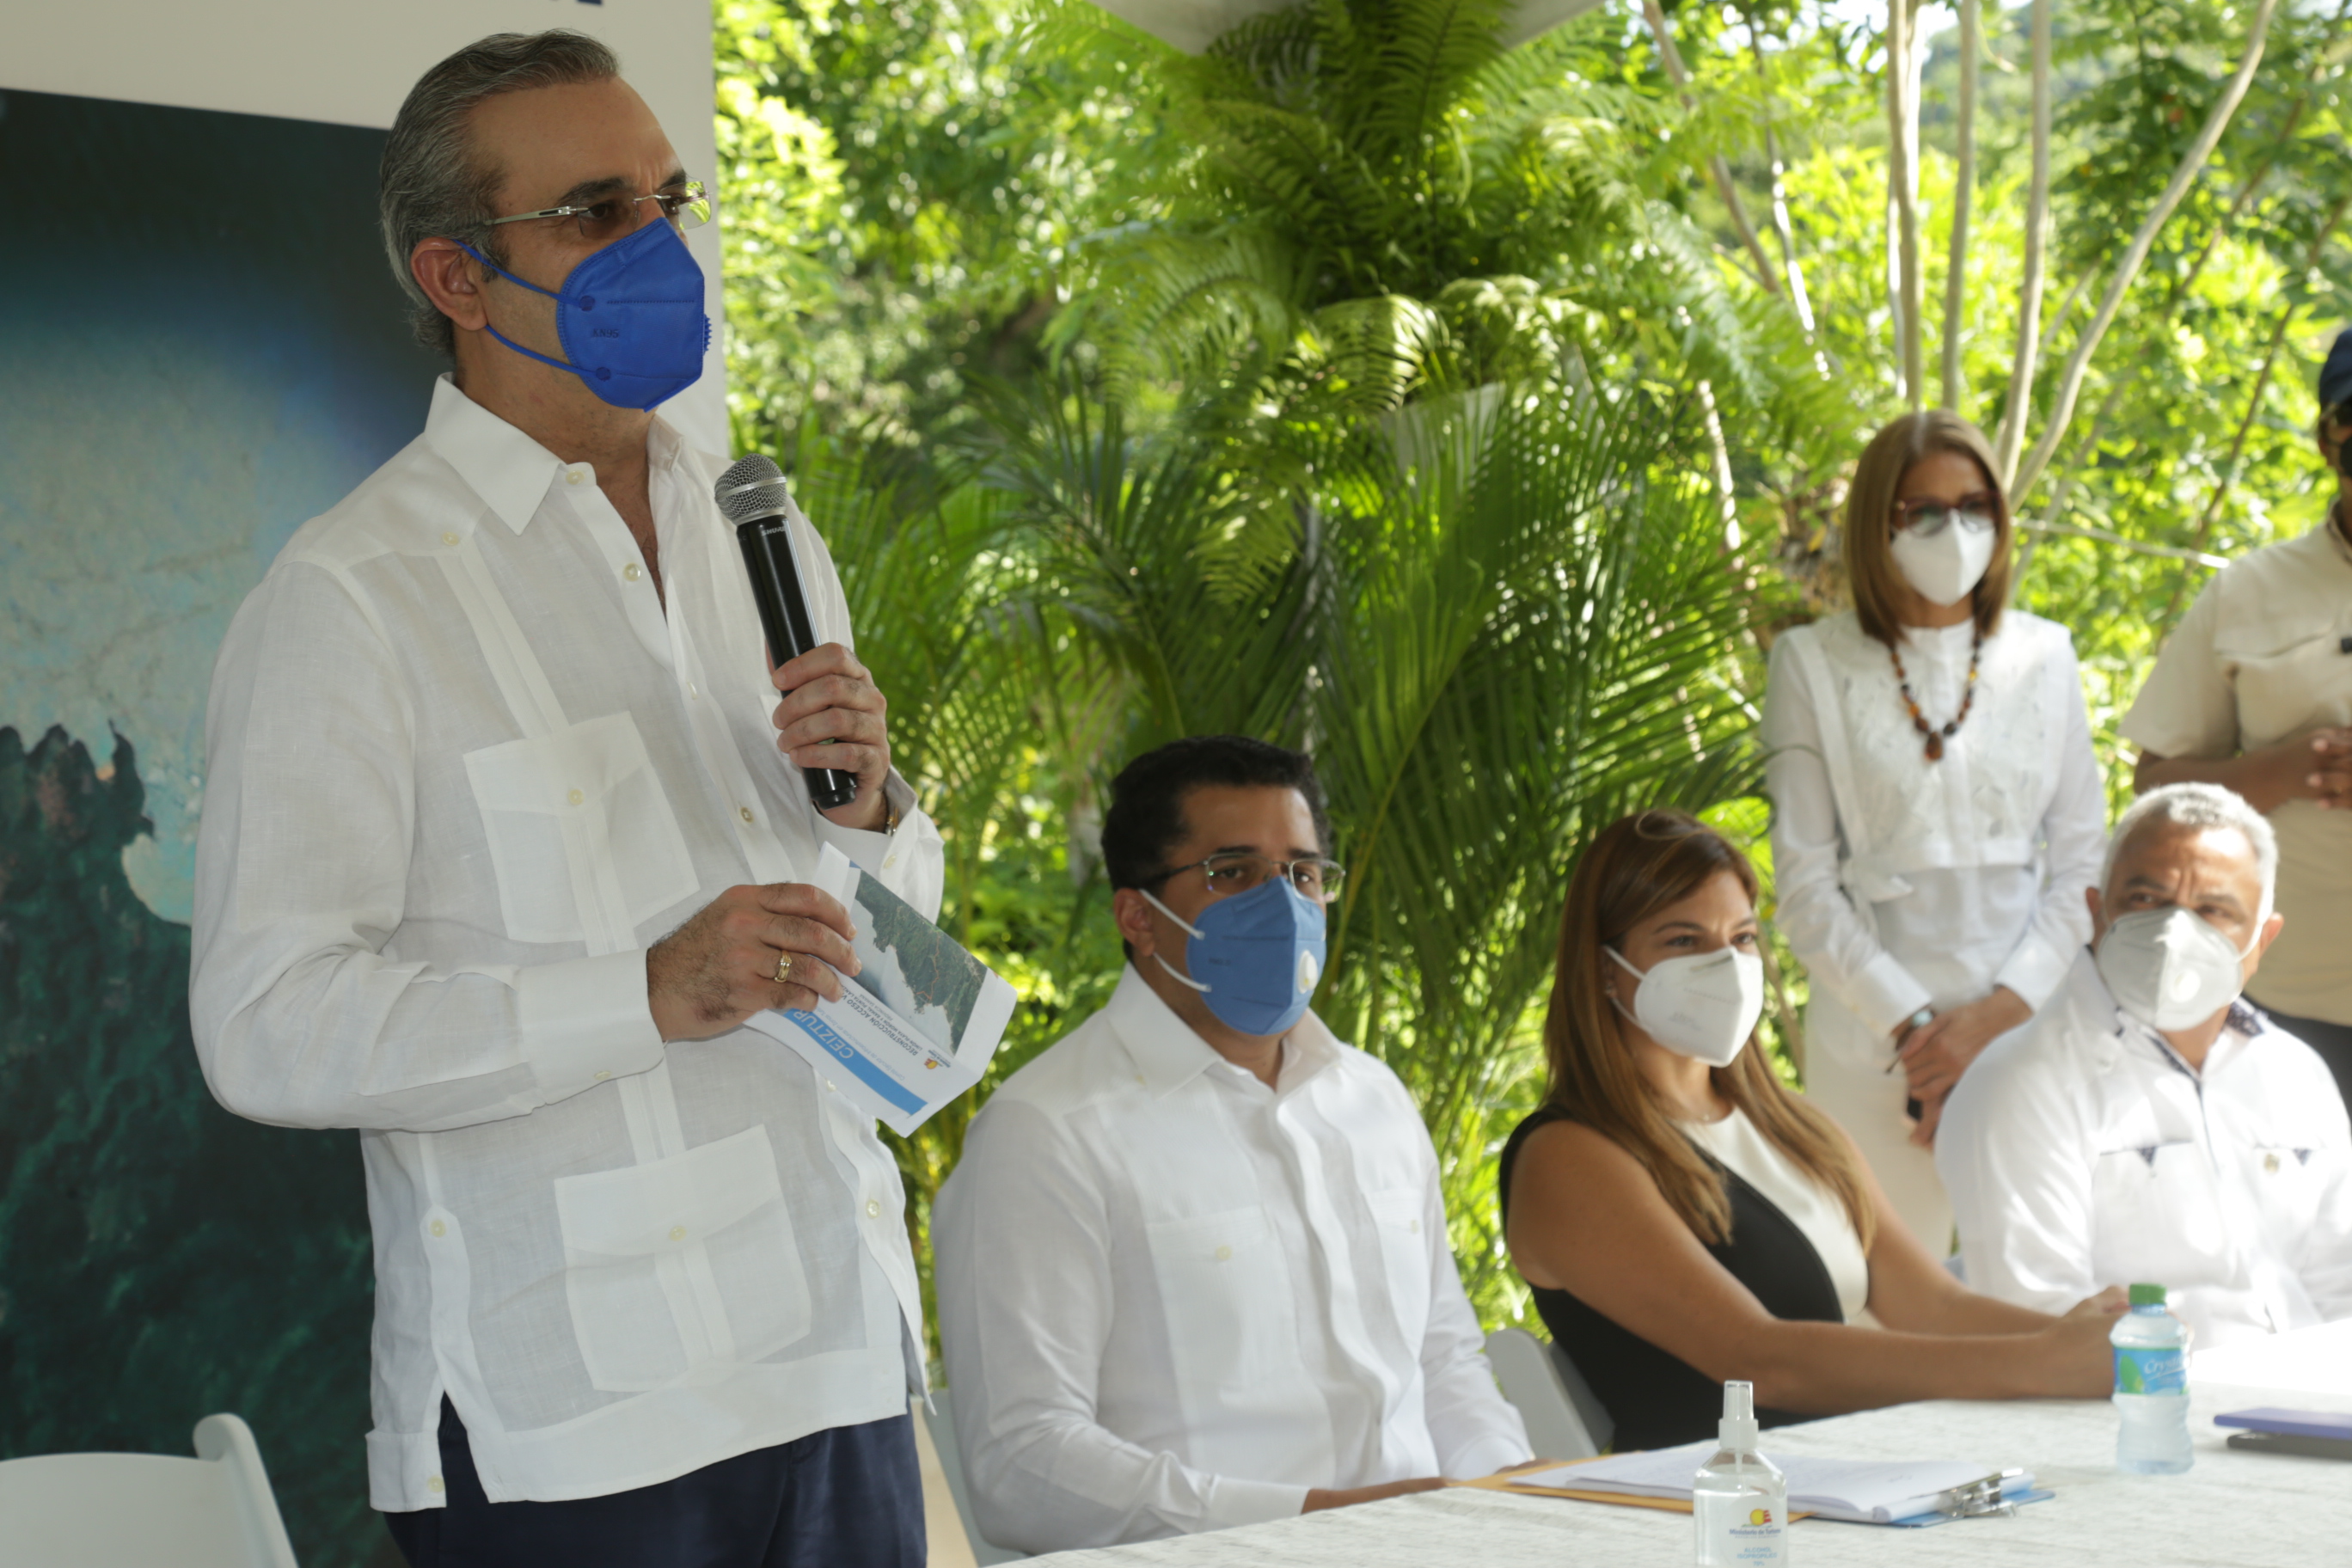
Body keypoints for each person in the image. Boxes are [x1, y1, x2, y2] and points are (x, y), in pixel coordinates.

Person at [190, 34, 941, 1567]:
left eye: (669, 200)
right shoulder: (353, 593)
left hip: (843, 1357)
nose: (660, 246)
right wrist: (644, 989)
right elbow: (266, 1021)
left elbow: (867, 939)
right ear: (455, 279)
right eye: (598, 212)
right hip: (573, 1425)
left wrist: (870, 814)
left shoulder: (759, 527)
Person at [931, 736, 1530, 1554]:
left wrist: (1514, 1498)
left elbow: (1445, 1362)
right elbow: (1023, 1463)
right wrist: (1315, 1519)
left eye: (1303, 873)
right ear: (1138, 917)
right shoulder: (1047, 1134)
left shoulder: (1374, 1101)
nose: (1282, 904)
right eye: (1233, 872)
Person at [1499, 809, 2122, 1453]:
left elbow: (1936, 1309)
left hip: (1848, 1478)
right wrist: (2042, 1362)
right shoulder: (1567, 1156)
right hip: (1710, 1501)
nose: (1724, 964)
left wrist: (2085, 1339)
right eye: (1683, 941)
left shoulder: (1797, 1128)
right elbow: (1761, 1361)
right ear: (1605, 970)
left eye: (1742, 938)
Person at [1762, 409, 2106, 1252]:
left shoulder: (2047, 654)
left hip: (2030, 1022)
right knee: (1879, 1293)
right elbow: (1804, 887)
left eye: (1975, 507)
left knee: (2045, 1286)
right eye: (1923, 512)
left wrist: (1998, 1015)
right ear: (1878, 524)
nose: (1954, 532)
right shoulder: (1810, 663)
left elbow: (2084, 867)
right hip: (1874, 1041)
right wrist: (1919, 1035)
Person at [1936, 784, 2352, 1349]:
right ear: (2096, 912)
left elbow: (2339, 1289)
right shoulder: (2022, 1083)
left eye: (2214, 910)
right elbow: (2038, 1326)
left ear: (2262, 940)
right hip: (2141, 1396)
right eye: (2145, 899)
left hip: (2302, 1393)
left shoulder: (2295, 1075)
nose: (2175, 933)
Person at [2120, 330, 2352, 1106]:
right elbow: (2154, 789)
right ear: (2327, 436)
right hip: (2275, 1011)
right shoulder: (2248, 591)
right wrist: (2281, 770)